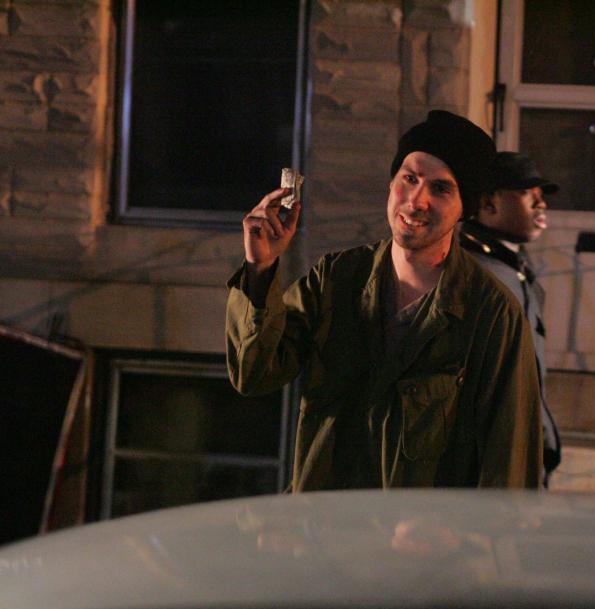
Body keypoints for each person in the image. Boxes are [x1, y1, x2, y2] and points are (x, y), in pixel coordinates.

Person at [226, 110, 542, 491]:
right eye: (409, 179)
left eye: (440, 189)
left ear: (465, 208)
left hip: (415, 530)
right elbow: (253, 373)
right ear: (391, 184)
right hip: (322, 523)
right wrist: (260, 269)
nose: (416, 201)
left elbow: (509, 469)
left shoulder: (492, 316)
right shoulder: (336, 280)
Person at [459, 152, 561, 486]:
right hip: (494, 464)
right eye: (527, 193)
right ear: (488, 203)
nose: (541, 204)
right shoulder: (474, 273)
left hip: (523, 452)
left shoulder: (513, 266)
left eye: (541, 195)